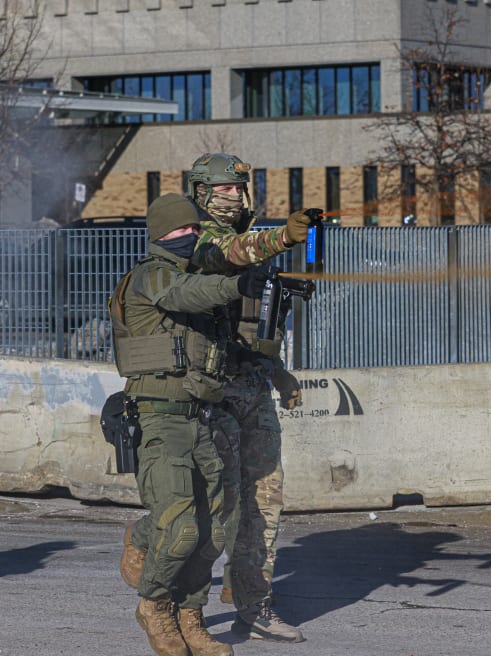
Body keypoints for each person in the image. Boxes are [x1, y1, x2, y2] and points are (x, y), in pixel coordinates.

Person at [120, 152, 314, 643]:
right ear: (202, 191)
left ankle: (251, 602)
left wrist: (276, 370)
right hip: (210, 396)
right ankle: (183, 604)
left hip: (248, 384)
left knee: (264, 502)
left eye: (238, 187)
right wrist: (282, 239)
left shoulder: (238, 241)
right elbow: (226, 259)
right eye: (224, 188)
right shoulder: (197, 239)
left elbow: (248, 324)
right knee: (212, 518)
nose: (234, 195)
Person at [109, 193, 269, 656]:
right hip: (159, 417)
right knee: (179, 528)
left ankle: (190, 614)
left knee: (213, 529)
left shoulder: (200, 280)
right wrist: (236, 284)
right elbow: (187, 294)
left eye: (195, 229)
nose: (193, 235)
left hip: (203, 416)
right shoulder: (153, 275)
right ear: (162, 235)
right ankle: (155, 606)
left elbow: (228, 345)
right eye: (184, 230)